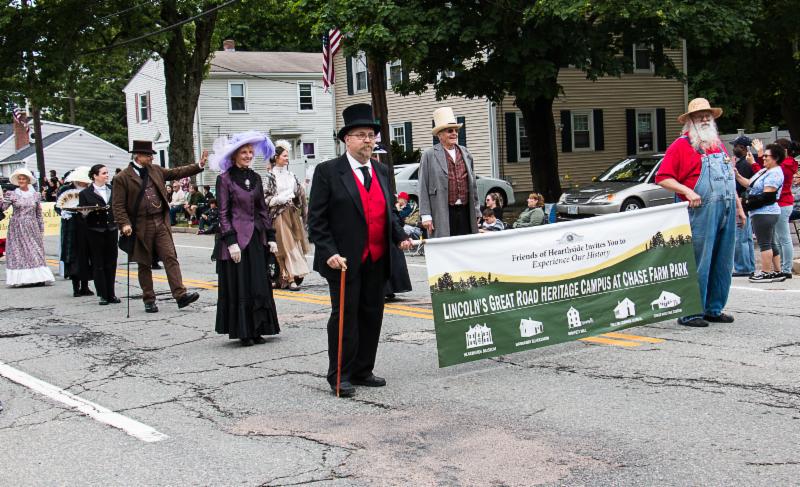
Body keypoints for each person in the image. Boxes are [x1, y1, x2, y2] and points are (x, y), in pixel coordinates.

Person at [308, 103, 412, 397]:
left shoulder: (381, 170)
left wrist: (400, 236)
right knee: (345, 317)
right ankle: (339, 375)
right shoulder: (328, 172)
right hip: (343, 260)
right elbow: (316, 221)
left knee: (372, 314)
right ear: (347, 139)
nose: (368, 140)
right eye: (361, 135)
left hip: (377, 258)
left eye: (371, 135)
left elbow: (389, 212)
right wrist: (328, 251)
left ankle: (363, 370)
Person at [655, 98, 745, 328]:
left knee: (723, 261)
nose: (704, 119)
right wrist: (687, 191)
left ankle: (714, 308)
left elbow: (729, 178)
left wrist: (738, 207)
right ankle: (691, 311)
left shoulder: (718, 145)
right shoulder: (681, 145)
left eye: (708, 116)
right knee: (699, 261)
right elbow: (663, 177)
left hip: (725, 209)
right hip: (700, 211)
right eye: (699, 116)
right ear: (690, 121)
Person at [112, 140, 205, 313]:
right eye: (148, 155)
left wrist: (198, 165)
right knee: (144, 263)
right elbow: (117, 205)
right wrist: (124, 224)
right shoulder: (122, 178)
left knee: (170, 257)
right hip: (140, 225)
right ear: (138, 156)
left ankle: (180, 295)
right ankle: (149, 299)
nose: (151, 158)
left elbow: (177, 172)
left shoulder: (155, 170)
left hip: (160, 221)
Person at [211, 131, 280, 346]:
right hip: (236, 240)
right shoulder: (224, 179)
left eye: (251, 152)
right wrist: (231, 242)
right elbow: (223, 213)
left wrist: (271, 236)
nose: (248, 155)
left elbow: (262, 210)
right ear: (234, 155)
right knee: (241, 285)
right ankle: (244, 331)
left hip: (256, 239)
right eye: (244, 152)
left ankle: (257, 328)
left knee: (258, 284)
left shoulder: (256, 177)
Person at [418, 107, 479, 237]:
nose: (454, 134)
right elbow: (423, 186)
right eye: (450, 131)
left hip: (465, 210)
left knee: (466, 244)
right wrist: (425, 215)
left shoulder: (466, 153)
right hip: (441, 211)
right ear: (439, 135)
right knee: (445, 245)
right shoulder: (429, 155)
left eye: (456, 131)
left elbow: (473, 185)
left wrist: (477, 210)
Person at [737, 143, 786, 283]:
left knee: (764, 243)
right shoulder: (766, 170)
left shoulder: (775, 173)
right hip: (764, 212)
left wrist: (746, 202)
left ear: (776, 158)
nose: (763, 158)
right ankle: (777, 272)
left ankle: (766, 272)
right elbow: (750, 183)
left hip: (765, 212)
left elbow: (767, 197)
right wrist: (737, 175)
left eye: (766, 156)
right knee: (771, 242)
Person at [264, 140, 310, 291]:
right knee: (284, 246)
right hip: (278, 215)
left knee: (294, 245)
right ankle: (289, 278)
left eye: (287, 155)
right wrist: (278, 199)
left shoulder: (291, 175)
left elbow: (298, 196)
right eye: (284, 155)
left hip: (291, 213)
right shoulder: (270, 176)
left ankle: (284, 278)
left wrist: (302, 189)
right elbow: (264, 198)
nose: (287, 158)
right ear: (276, 157)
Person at [1, 168, 55, 287]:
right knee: (19, 252)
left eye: (23, 179)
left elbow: (38, 214)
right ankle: (22, 279)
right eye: (19, 179)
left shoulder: (36, 195)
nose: (21, 181)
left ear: (28, 180)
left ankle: (39, 277)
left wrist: (41, 229)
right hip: (17, 226)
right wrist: (3, 199)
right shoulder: (12, 194)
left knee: (35, 250)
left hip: (32, 226)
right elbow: (3, 208)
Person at [80, 164, 120, 305]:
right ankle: (103, 294)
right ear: (95, 176)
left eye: (107, 173)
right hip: (95, 230)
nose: (107, 175)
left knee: (111, 262)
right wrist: (84, 214)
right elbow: (82, 214)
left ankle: (111, 294)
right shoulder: (85, 193)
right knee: (98, 263)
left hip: (111, 229)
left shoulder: (113, 189)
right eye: (103, 173)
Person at [56, 167, 93, 297]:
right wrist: (64, 212)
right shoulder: (65, 189)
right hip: (71, 226)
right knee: (73, 255)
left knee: (86, 254)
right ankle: (75, 287)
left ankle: (85, 286)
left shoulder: (89, 190)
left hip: (86, 224)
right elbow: (58, 206)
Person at [771, 139, 798, 278]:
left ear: (784, 151)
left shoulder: (784, 165)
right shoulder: (786, 164)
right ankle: (783, 267)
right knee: (780, 238)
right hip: (782, 203)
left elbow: (770, 176)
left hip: (783, 203)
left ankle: (786, 269)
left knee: (784, 238)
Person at [730, 136, 756, 277]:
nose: (734, 149)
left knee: (740, 238)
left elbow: (741, 185)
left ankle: (742, 267)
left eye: (736, 146)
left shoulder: (744, 164)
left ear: (744, 148)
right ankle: (749, 265)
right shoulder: (747, 162)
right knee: (746, 237)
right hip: (746, 204)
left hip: (741, 202)